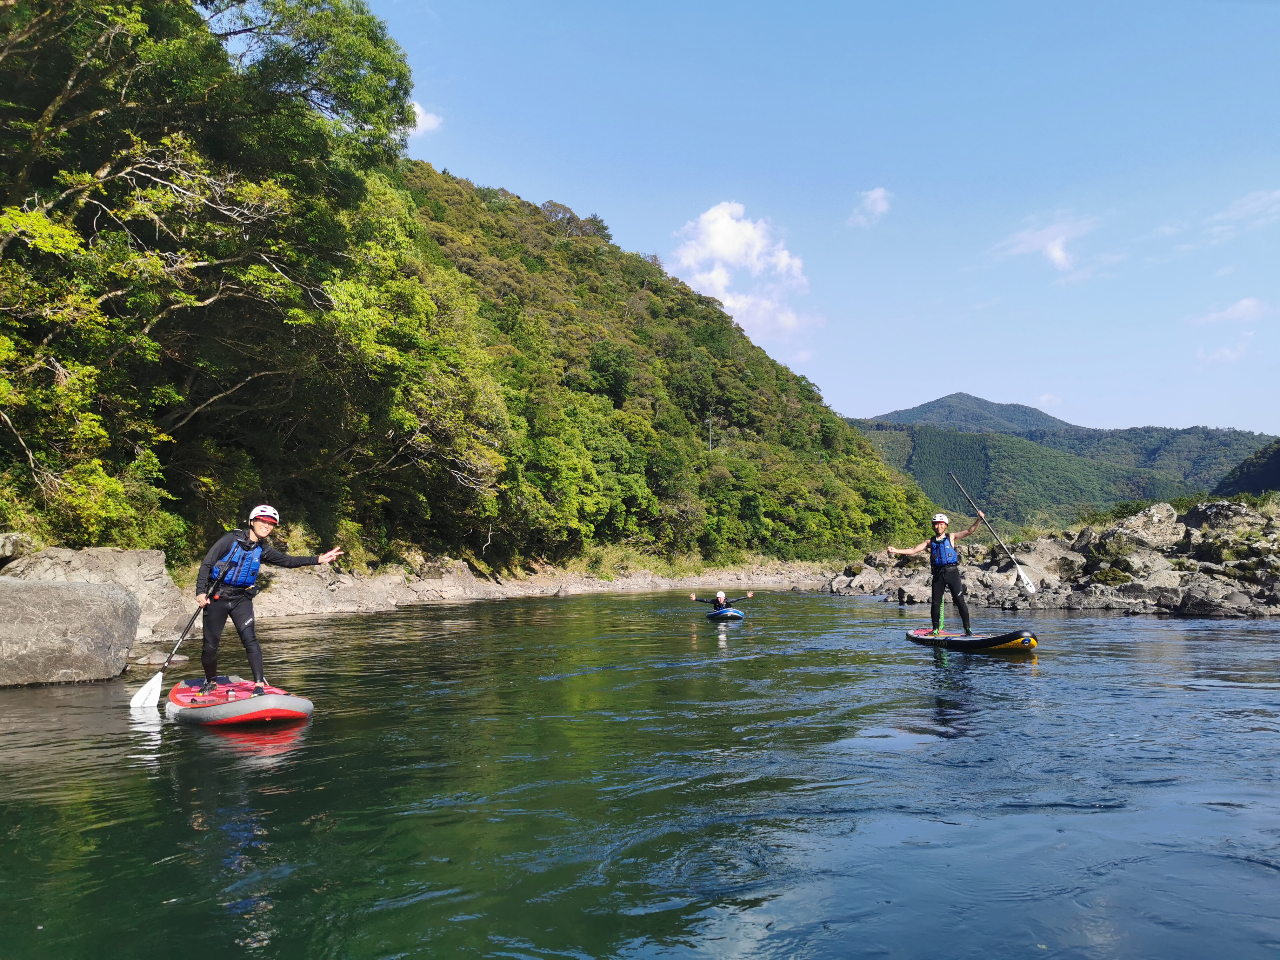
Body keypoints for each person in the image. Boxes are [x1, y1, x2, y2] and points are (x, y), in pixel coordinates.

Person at [195, 505, 344, 696]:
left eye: (271, 524)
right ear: (252, 521)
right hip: (217, 596)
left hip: (242, 598)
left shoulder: (262, 549)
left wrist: (318, 559)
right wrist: (200, 592)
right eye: (263, 521)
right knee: (210, 645)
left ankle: (259, 685)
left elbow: (288, 561)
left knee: (250, 640)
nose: (267, 526)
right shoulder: (230, 539)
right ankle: (211, 681)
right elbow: (207, 563)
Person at [887, 512, 983, 636]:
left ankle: (968, 630)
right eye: (936, 525)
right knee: (936, 603)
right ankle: (936, 629)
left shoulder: (952, 537)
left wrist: (979, 520)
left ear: (945, 526)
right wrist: (895, 550)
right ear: (933, 526)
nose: (939, 527)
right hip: (938, 575)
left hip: (952, 573)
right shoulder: (929, 542)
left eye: (941, 524)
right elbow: (912, 550)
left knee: (959, 601)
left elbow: (969, 531)